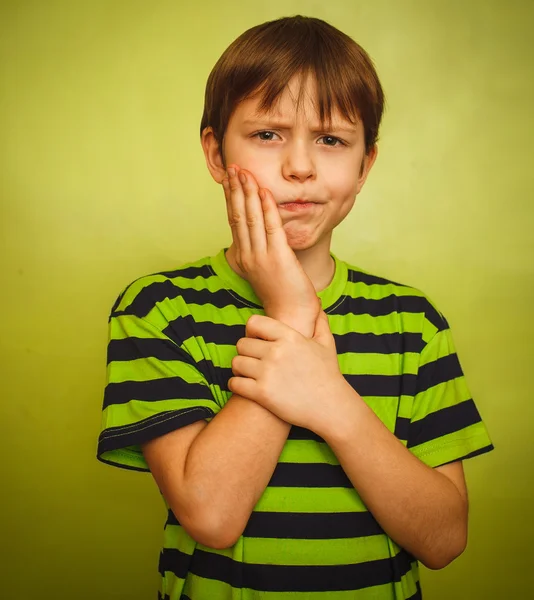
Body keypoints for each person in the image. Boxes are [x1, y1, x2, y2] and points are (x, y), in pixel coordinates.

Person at [96, 14, 494, 600]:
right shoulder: (157, 309)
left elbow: (443, 540)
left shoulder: (413, 323)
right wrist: (289, 313)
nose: (300, 167)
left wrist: (331, 401)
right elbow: (211, 516)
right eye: (267, 134)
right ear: (214, 152)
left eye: (331, 140)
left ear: (365, 167)